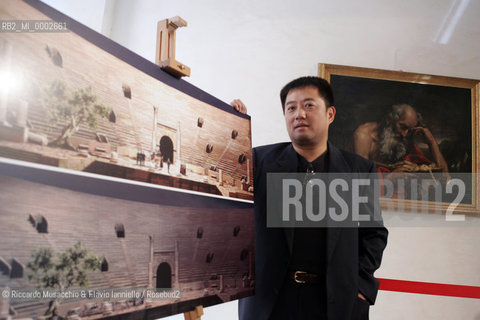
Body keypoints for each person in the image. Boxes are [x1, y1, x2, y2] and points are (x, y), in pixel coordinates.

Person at [232, 76, 388, 320]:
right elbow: (215, 182)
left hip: (332, 303)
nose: (299, 114)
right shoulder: (259, 162)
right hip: (270, 302)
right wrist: (228, 126)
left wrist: (361, 289)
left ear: (330, 114)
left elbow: (373, 235)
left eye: (309, 105)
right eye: (291, 107)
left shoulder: (357, 169)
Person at [353, 103, 448, 174]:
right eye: (403, 127)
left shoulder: (403, 142)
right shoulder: (364, 136)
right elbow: (360, 179)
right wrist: (390, 179)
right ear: (389, 120)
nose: (405, 134)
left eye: (409, 130)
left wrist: (432, 143)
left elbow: (444, 176)